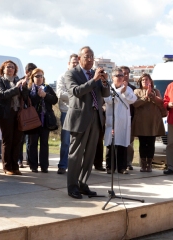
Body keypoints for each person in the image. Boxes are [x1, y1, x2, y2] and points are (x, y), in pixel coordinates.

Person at [64, 46, 110, 199]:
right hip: (80, 119)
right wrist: (94, 80)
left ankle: (83, 184)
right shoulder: (72, 73)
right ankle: (72, 186)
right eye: (87, 56)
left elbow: (105, 94)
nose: (90, 59)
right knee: (76, 155)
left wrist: (104, 82)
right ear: (79, 58)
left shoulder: (94, 74)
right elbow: (76, 92)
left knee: (90, 155)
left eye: (92, 56)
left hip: (95, 118)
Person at [0, 60, 27, 175]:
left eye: (12, 67)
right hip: (5, 114)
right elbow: (2, 94)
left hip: (18, 113)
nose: (10, 69)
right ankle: (7, 166)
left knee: (17, 140)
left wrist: (25, 86)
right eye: (8, 67)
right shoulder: (0, 80)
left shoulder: (18, 81)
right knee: (8, 140)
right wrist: (16, 88)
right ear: (3, 69)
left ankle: (15, 165)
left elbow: (25, 96)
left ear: (15, 70)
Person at [104, 68, 137, 174]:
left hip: (123, 121)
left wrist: (125, 92)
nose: (120, 78)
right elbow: (108, 100)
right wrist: (119, 92)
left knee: (122, 145)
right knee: (111, 144)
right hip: (112, 121)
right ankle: (110, 167)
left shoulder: (128, 89)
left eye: (121, 76)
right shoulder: (108, 88)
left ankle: (122, 167)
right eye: (117, 76)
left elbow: (133, 100)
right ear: (112, 77)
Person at [24, 68, 58, 173]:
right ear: (32, 78)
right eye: (37, 76)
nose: (39, 78)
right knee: (32, 143)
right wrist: (38, 96)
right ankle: (33, 166)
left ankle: (44, 166)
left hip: (45, 120)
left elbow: (55, 100)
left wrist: (45, 95)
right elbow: (28, 101)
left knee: (44, 143)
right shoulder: (29, 89)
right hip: (33, 120)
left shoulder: (47, 88)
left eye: (41, 76)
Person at [132, 73, 165, 172]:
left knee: (151, 143)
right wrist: (145, 98)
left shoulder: (156, 91)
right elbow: (135, 104)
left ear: (151, 81)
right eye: (143, 80)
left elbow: (161, 102)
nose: (145, 81)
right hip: (141, 122)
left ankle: (149, 164)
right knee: (143, 143)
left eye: (147, 80)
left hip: (153, 121)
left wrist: (152, 96)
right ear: (140, 82)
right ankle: (143, 164)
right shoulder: (137, 91)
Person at [56, 54, 78, 174]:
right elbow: (60, 94)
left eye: (77, 62)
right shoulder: (62, 77)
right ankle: (63, 165)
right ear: (68, 64)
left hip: (79, 112)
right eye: (73, 62)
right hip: (66, 111)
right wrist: (76, 95)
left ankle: (75, 166)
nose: (75, 64)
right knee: (65, 141)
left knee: (77, 141)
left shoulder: (80, 77)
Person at [18, 63, 37, 168]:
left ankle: (29, 160)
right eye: (32, 71)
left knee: (30, 139)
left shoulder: (36, 82)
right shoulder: (21, 81)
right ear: (27, 72)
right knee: (20, 139)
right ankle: (19, 160)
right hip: (22, 113)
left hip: (32, 113)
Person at [120, 66, 136, 171]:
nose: (125, 75)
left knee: (129, 143)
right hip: (118, 120)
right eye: (123, 73)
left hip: (130, 119)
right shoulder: (114, 87)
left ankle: (128, 162)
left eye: (127, 73)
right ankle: (118, 163)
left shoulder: (133, 89)